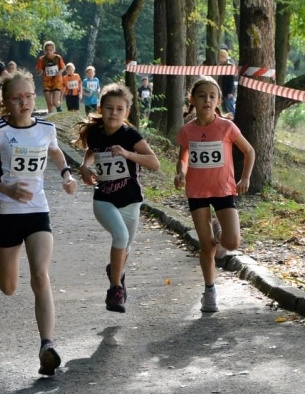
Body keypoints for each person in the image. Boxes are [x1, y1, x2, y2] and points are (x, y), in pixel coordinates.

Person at [0, 70, 77, 376]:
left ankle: (47, 345)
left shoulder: (45, 128)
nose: (23, 103)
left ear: (36, 97)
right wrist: (6, 188)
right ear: (5, 103)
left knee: (40, 276)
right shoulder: (0, 132)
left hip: (37, 212)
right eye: (16, 98)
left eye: (28, 97)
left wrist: (67, 174)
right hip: (6, 214)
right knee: (8, 287)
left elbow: (55, 151)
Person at [175, 75, 255, 313]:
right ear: (193, 99)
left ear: (218, 100)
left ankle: (217, 227)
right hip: (197, 192)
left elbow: (249, 151)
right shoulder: (187, 130)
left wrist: (245, 178)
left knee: (231, 243)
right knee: (207, 247)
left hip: (223, 190)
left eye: (212, 96)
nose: (207, 100)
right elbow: (183, 157)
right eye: (202, 96)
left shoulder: (226, 127)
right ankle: (209, 292)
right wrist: (180, 173)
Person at [77, 83, 160, 313]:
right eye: (109, 108)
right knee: (121, 236)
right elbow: (91, 152)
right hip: (103, 198)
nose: (114, 113)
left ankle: (115, 271)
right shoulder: (95, 133)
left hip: (131, 200)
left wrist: (127, 153)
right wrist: (85, 167)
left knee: (125, 245)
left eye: (119, 109)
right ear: (101, 108)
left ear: (127, 112)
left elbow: (154, 163)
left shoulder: (130, 135)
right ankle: (115, 290)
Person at [35, 40, 66, 113]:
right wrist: (40, 72)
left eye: (50, 50)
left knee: (55, 102)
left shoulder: (58, 58)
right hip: (47, 82)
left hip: (57, 81)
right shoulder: (41, 59)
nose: (49, 52)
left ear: (54, 50)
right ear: (44, 50)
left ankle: (58, 107)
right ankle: (51, 117)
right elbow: (39, 70)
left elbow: (63, 67)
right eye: (47, 50)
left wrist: (59, 72)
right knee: (49, 103)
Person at [217, 47, 237, 118]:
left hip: (228, 92)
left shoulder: (229, 66)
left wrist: (230, 92)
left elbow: (231, 80)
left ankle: (235, 122)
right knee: (225, 109)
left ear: (223, 56)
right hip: (222, 91)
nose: (219, 58)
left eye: (220, 56)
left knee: (230, 109)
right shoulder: (220, 66)